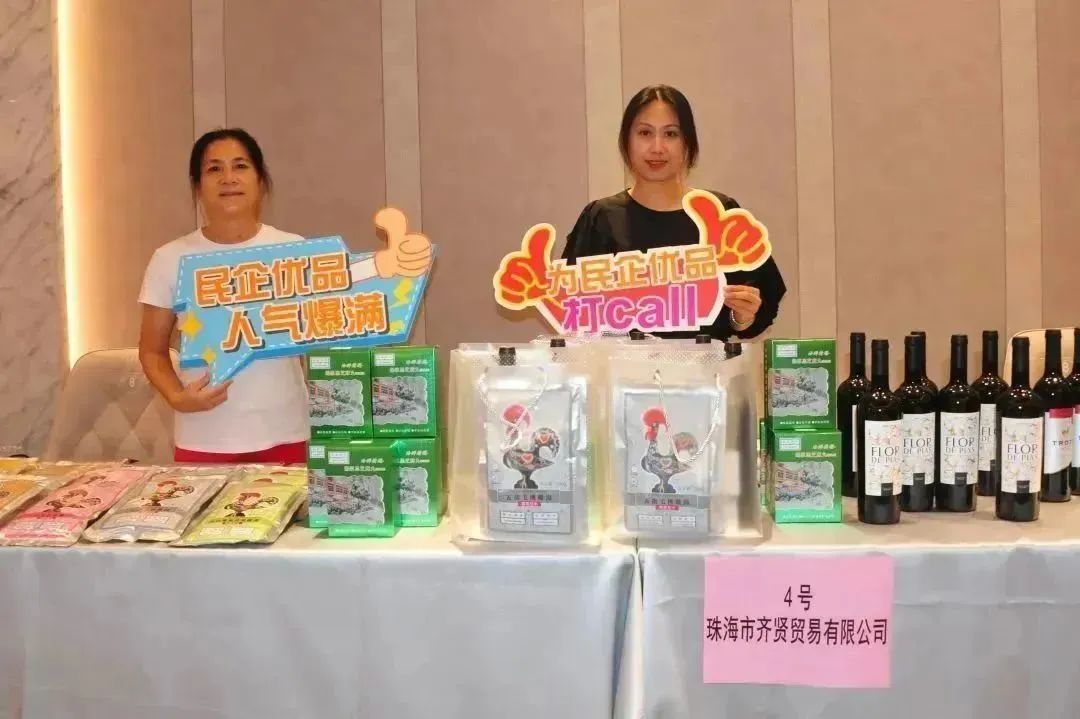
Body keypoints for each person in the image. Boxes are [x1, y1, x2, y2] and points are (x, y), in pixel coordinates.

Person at [138, 129, 312, 464]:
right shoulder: (169, 258)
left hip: (285, 432)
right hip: (204, 437)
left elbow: (326, 331)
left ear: (260, 180)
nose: (228, 178)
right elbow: (151, 350)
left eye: (240, 166)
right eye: (214, 169)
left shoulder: (294, 249)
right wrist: (177, 397)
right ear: (197, 186)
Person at [562, 85, 786, 340]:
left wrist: (742, 317)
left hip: (707, 364)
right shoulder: (601, 218)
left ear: (688, 142)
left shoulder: (720, 213)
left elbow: (762, 307)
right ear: (626, 141)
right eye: (645, 133)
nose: (657, 147)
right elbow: (571, 311)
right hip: (622, 366)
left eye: (670, 134)